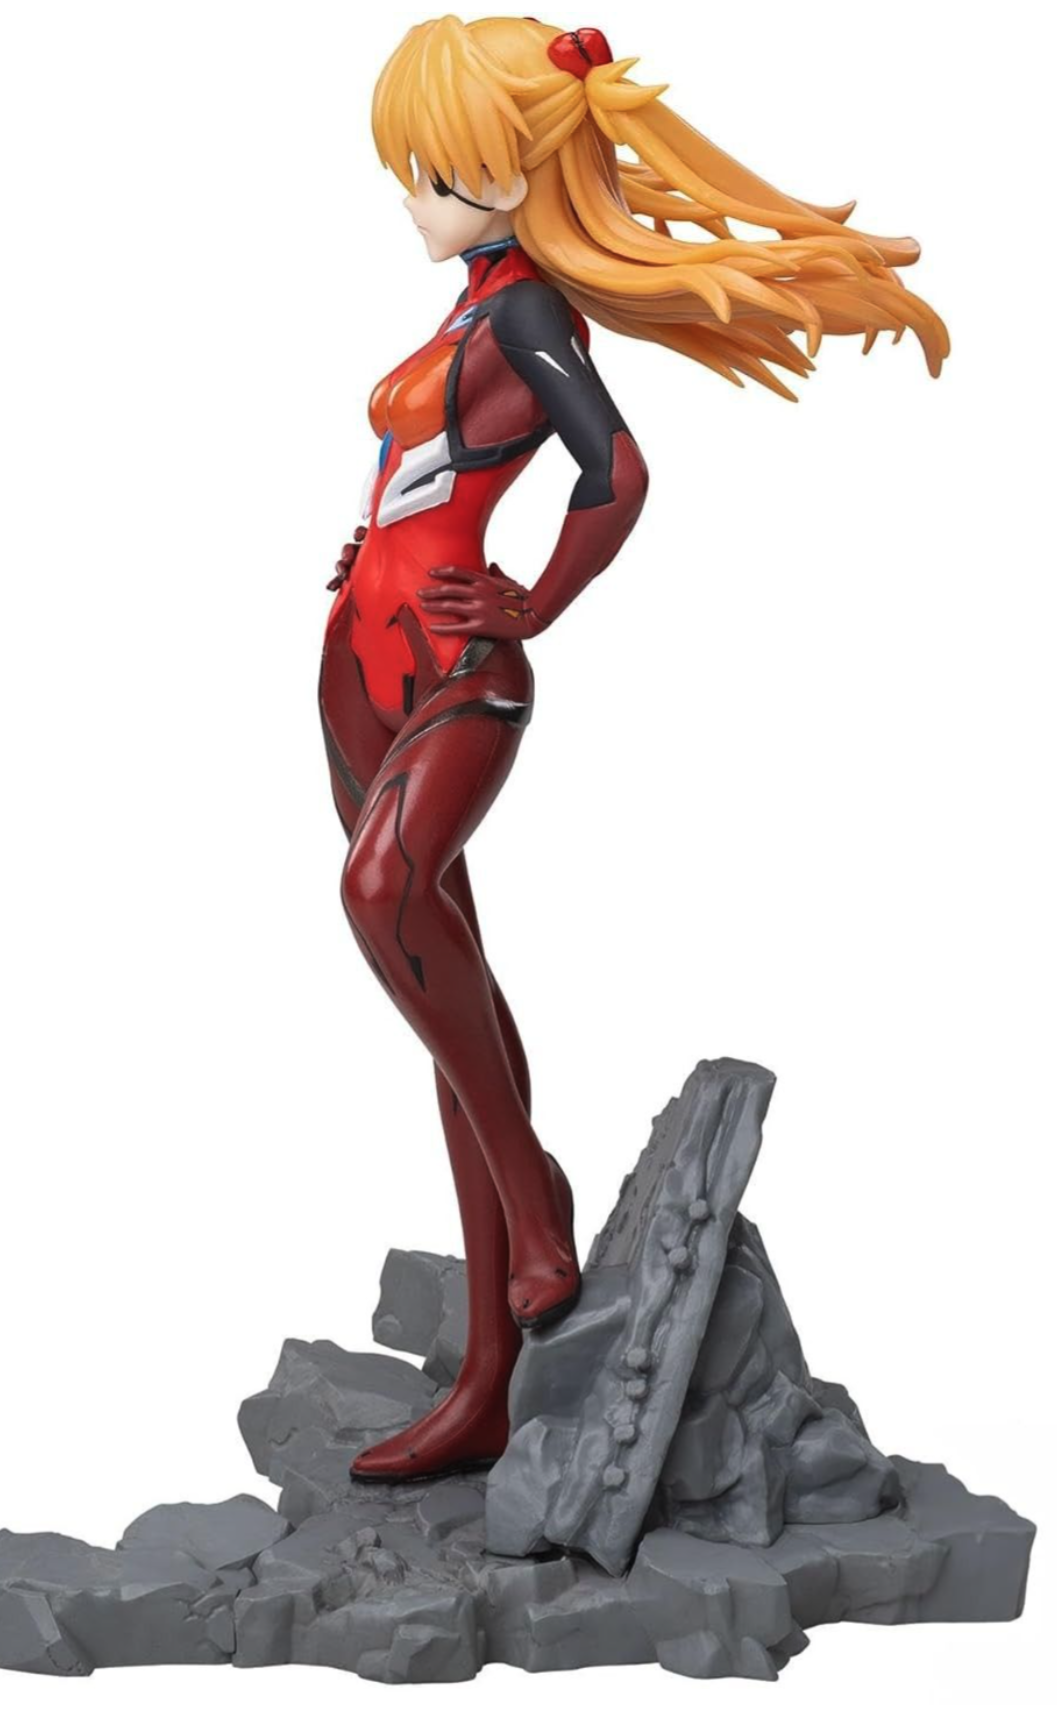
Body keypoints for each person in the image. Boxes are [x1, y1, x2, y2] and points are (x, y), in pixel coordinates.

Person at [318, 14, 948, 1484]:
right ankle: (487, 1385)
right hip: (353, 666)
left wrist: (535, 597)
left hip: (455, 670)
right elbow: (424, 467)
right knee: (441, 994)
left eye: (436, 170)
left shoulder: (527, 311)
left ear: (511, 170)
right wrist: (372, 544)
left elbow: (616, 469)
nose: (410, 195)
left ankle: (533, 1205)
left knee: (382, 900)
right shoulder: (466, 315)